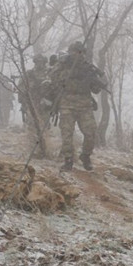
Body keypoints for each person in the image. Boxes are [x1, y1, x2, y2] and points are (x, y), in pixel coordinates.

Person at [48, 41, 105, 171]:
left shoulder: (88, 68)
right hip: (67, 104)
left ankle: (85, 156)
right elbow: (53, 77)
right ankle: (68, 160)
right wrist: (68, 72)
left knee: (91, 133)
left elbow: (96, 89)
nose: (78, 55)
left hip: (84, 105)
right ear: (70, 52)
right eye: (75, 52)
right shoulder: (63, 64)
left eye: (81, 52)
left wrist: (93, 81)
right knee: (67, 134)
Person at [19, 54, 52, 157]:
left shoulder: (50, 74)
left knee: (44, 127)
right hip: (32, 103)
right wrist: (24, 102)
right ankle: (34, 150)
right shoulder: (29, 74)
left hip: (46, 105)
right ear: (35, 62)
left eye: (42, 62)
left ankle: (45, 149)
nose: (40, 64)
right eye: (38, 62)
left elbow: (55, 89)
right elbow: (22, 88)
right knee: (32, 127)